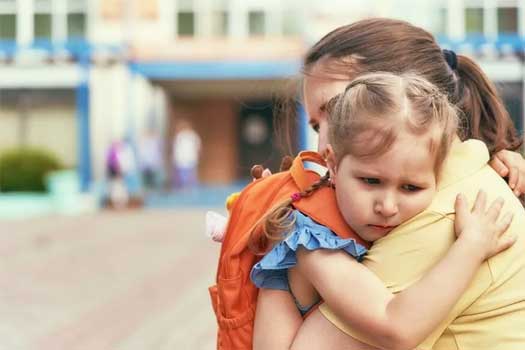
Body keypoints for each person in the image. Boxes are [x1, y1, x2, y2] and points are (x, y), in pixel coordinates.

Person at [253, 18, 525, 350]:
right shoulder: (453, 180)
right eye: (315, 123)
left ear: (407, 93)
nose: (325, 138)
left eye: (338, 109)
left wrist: (299, 249)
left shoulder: (444, 218)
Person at [172, 119, 201, 190]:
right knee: (183, 174)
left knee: (190, 174)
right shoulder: (179, 136)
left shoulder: (192, 136)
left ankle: (190, 187)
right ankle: (185, 187)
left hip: (189, 158)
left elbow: (198, 147)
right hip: (181, 159)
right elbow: (176, 148)